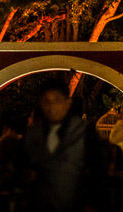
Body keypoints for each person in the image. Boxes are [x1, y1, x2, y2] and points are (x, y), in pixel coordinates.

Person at [23, 79, 103, 212]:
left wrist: (92, 202)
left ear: (68, 103)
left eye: (57, 100)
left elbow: (98, 169)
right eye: (46, 102)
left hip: (75, 204)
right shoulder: (32, 133)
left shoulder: (84, 131)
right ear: (40, 104)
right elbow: (22, 163)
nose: (52, 107)